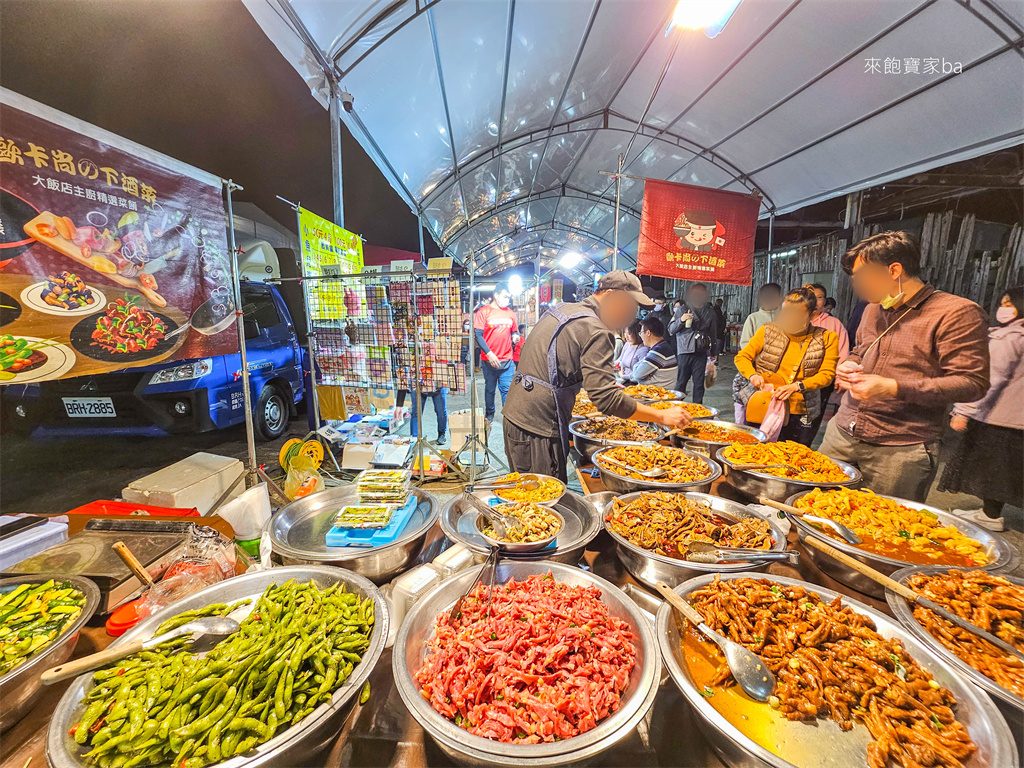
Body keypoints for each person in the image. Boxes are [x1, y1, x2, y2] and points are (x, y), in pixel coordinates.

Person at [820, 231, 989, 501]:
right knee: (818, 509)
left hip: (900, 447)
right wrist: (849, 364)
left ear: (894, 270)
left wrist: (893, 387)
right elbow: (859, 350)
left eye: (861, 276)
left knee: (883, 530)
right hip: (843, 433)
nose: (857, 285)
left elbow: (972, 383)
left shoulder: (956, 313)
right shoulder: (872, 308)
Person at [503, 271, 692, 480]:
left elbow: (560, 363)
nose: (631, 318)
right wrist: (662, 416)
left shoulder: (564, 310)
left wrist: (600, 383)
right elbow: (607, 400)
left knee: (529, 493)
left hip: (517, 416)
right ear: (611, 296)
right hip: (538, 425)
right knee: (543, 499)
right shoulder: (596, 329)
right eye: (630, 307)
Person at [938, 287, 1024, 531]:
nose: (1004, 309)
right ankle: (990, 511)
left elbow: (989, 378)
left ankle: (990, 515)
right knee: (1007, 469)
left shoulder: (1009, 338)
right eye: (1003, 303)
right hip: (1017, 419)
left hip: (999, 417)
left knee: (990, 468)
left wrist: (964, 410)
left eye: (1010, 304)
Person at [734, 288, 839, 445]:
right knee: (754, 451)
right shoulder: (768, 331)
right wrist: (753, 375)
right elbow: (742, 357)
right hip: (763, 405)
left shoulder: (827, 338)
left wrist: (798, 386)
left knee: (791, 456)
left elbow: (827, 374)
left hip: (801, 411)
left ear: (811, 315)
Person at [804, 282, 850, 437]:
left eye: (820, 297)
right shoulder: (797, 319)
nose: (816, 301)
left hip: (822, 381)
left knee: (811, 419)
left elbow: (843, 350)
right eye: (812, 297)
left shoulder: (833, 324)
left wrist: (839, 375)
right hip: (796, 379)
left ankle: (804, 444)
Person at [733, 282, 784, 422]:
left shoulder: (784, 318)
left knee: (771, 409)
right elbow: (745, 344)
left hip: (777, 375)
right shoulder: (753, 318)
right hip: (754, 370)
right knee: (747, 404)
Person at [473, 287, 519, 425]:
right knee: (490, 389)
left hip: (507, 360)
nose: (507, 300)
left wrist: (515, 336)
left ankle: (508, 418)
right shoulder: (484, 311)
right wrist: (489, 353)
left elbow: (515, 331)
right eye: (505, 296)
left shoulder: (511, 313)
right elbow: (478, 335)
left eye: (509, 297)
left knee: (507, 390)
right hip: (489, 361)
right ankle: (490, 414)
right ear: (496, 295)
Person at [668, 283, 716, 402]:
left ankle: (698, 410)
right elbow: (671, 329)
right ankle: (676, 407)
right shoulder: (682, 309)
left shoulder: (710, 312)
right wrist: (681, 320)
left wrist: (714, 356)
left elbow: (713, 334)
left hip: (701, 351)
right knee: (681, 383)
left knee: (699, 385)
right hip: (684, 350)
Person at [627, 316, 678, 389]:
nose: (640, 336)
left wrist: (637, 369)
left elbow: (636, 375)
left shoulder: (658, 351)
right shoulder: (663, 347)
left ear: (648, 333)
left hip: (658, 394)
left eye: (641, 333)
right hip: (658, 391)